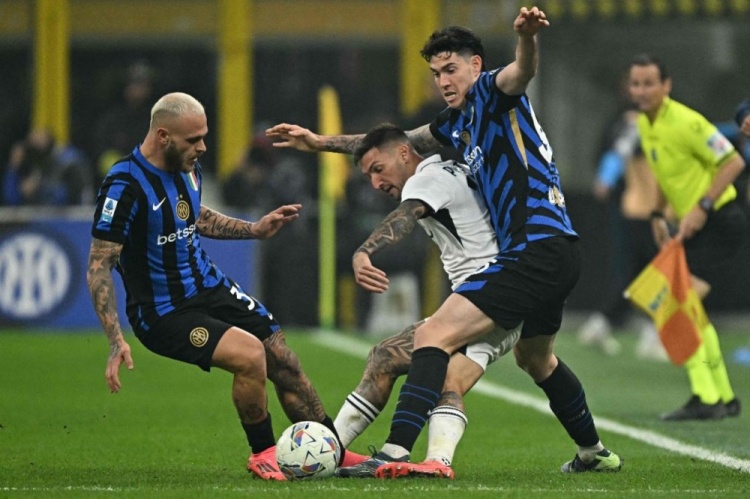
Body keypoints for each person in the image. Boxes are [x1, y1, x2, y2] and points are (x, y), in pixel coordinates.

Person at [268, 6, 622, 475]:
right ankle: (593, 452)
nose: (443, 81)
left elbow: (522, 72)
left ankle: (395, 452)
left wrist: (527, 38)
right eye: (436, 73)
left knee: (434, 336)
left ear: (475, 65)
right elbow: (392, 142)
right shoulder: (456, 122)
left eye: (451, 69)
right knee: (537, 359)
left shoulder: (493, 92)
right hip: (555, 250)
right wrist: (319, 142)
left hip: (535, 247)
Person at [86, 92, 365, 481]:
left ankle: (333, 450)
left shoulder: (187, 167)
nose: (202, 147)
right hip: (164, 313)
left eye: (204, 137)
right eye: (193, 140)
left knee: (283, 358)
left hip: (208, 286)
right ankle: (264, 454)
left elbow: (193, 215)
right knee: (250, 355)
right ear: (163, 136)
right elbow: (99, 265)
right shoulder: (125, 184)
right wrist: (115, 339)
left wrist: (254, 229)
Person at [332, 123, 521, 478]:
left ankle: (360, 451)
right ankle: (426, 460)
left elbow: (404, 217)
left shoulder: (425, 180)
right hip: (503, 297)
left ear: (405, 154)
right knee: (416, 366)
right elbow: (382, 140)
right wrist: (317, 142)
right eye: (369, 175)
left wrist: (364, 251)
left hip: (484, 297)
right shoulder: (452, 170)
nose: (375, 183)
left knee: (410, 356)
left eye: (378, 169)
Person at [628, 54, 746, 421]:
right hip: (697, 226)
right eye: (636, 83)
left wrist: (702, 207)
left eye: (649, 83)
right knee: (689, 307)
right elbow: (666, 175)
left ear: (666, 86)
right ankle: (721, 396)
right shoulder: (645, 124)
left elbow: (734, 162)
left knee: (680, 303)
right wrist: (658, 213)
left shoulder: (687, 122)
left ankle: (708, 399)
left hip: (721, 220)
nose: (642, 91)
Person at [577, 107, 667, 361]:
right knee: (651, 275)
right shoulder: (640, 124)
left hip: (649, 211)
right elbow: (619, 152)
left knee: (640, 274)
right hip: (644, 212)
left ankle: (603, 324)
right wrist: (606, 178)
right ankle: (647, 335)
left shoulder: (658, 124)